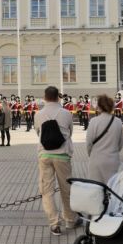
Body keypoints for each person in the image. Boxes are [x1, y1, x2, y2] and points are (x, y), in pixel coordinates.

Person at [34, 85, 80, 236]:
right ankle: (70, 220)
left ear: (45, 97)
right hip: (62, 155)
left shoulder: (38, 114)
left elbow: (38, 132)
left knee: (46, 190)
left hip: (45, 155)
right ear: (57, 97)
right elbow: (70, 132)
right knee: (66, 189)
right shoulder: (66, 113)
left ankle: (54, 224)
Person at [86, 95, 123, 184]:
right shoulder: (118, 121)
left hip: (96, 160)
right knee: (111, 191)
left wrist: (91, 155)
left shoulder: (93, 121)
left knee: (96, 190)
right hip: (113, 160)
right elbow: (120, 144)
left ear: (99, 107)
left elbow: (88, 144)